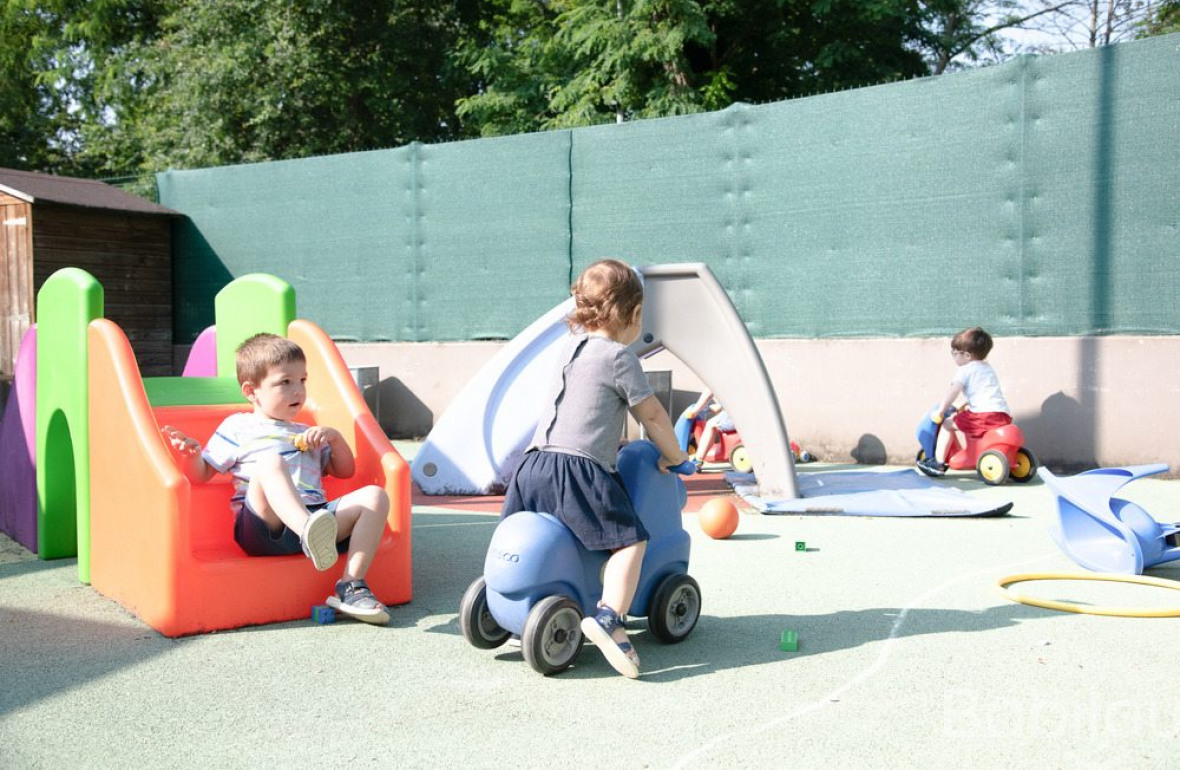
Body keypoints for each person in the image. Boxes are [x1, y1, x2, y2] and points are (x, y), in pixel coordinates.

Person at [501, 259, 689, 679]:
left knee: (547, 537)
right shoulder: (620, 357)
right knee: (631, 542)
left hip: (532, 466)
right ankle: (609, 618)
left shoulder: (567, 348)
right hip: (577, 470)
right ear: (633, 312)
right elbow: (652, 416)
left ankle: (512, 606)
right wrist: (675, 456)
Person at [161, 333, 393, 625]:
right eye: (285, 382)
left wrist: (334, 439)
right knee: (270, 461)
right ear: (252, 391)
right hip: (263, 526)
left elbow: (344, 471)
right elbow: (201, 474)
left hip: (317, 518)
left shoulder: (308, 432)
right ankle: (308, 531)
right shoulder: (238, 426)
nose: (298, 390)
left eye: (302, 381)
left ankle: (352, 585)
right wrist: (191, 455)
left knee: (375, 496)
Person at [918, 327, 1012, 476]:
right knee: (964, 417)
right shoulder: (987, 367)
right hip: (1002, 414)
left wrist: (941, 410)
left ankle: (938, 463)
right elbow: (983, 392)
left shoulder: (964, 370)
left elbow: (953, 391)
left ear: (967, 355)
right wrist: (965, 403)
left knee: (947, 424)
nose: (953, 356)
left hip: (982, 415)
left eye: (955, 353)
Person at [686, 390, 734, 470]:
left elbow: (708, 393)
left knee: (711, 424)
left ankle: (698, 459)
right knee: (720, 419)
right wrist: (720, 406)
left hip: (736, 415)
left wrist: (694, 411)